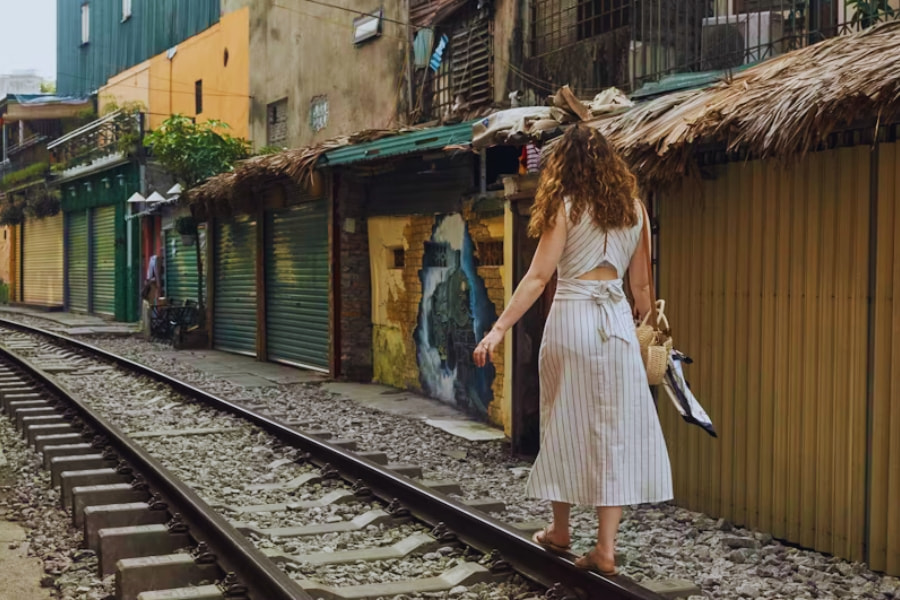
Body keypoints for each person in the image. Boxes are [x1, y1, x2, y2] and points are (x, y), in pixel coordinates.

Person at [473, 124, 673, 576]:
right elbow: (641, 288)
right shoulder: (636, 211)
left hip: (572, 322)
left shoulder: (565, 207)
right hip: (619, 326)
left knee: (562, 419)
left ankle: (560, 528)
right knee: (614, 432)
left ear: (564, 165)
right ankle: (606, 548)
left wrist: (499, 328)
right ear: (611, 165)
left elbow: (538, 278)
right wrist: (652, 332)